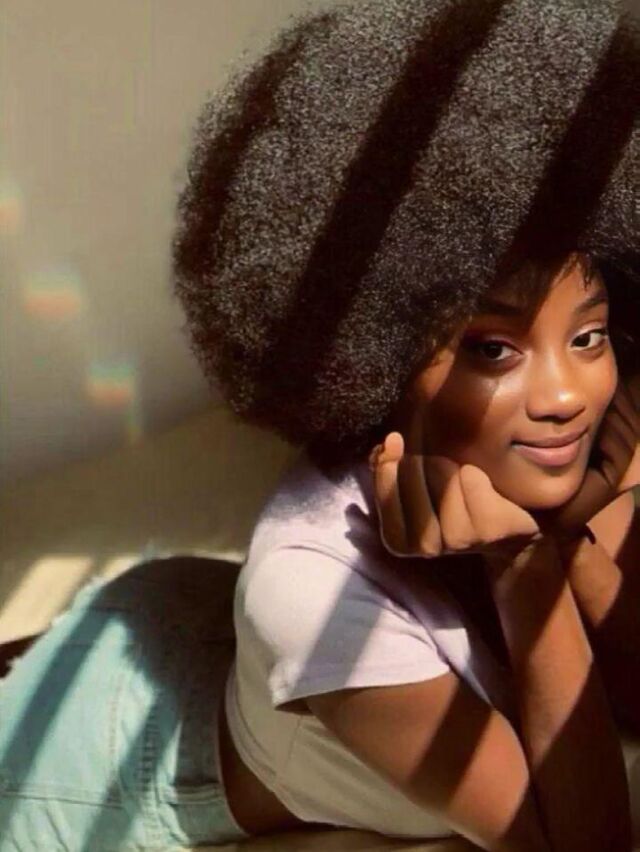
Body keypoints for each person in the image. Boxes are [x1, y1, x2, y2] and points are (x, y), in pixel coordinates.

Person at [1, 1, 639, 850]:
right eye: (493, 348)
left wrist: (572, 537)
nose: (566, 396)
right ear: (378, 356)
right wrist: (528, 568)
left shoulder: (570, 452)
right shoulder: (314, 599)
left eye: (588, 337)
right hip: (100, 756)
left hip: (196, 618)